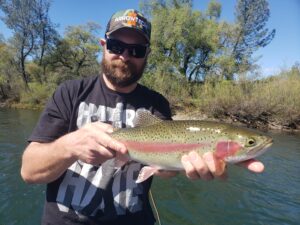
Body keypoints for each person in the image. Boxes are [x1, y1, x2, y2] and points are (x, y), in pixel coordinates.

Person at [21, 9, 264, 225]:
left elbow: (164, 169)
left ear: (147, 54)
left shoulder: (156, 104)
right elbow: (29, 172)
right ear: (103, 45)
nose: (125, 56)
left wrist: (177, 166)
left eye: (136, 50)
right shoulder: (70, 93)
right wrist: (70, 146)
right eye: (116, 46)